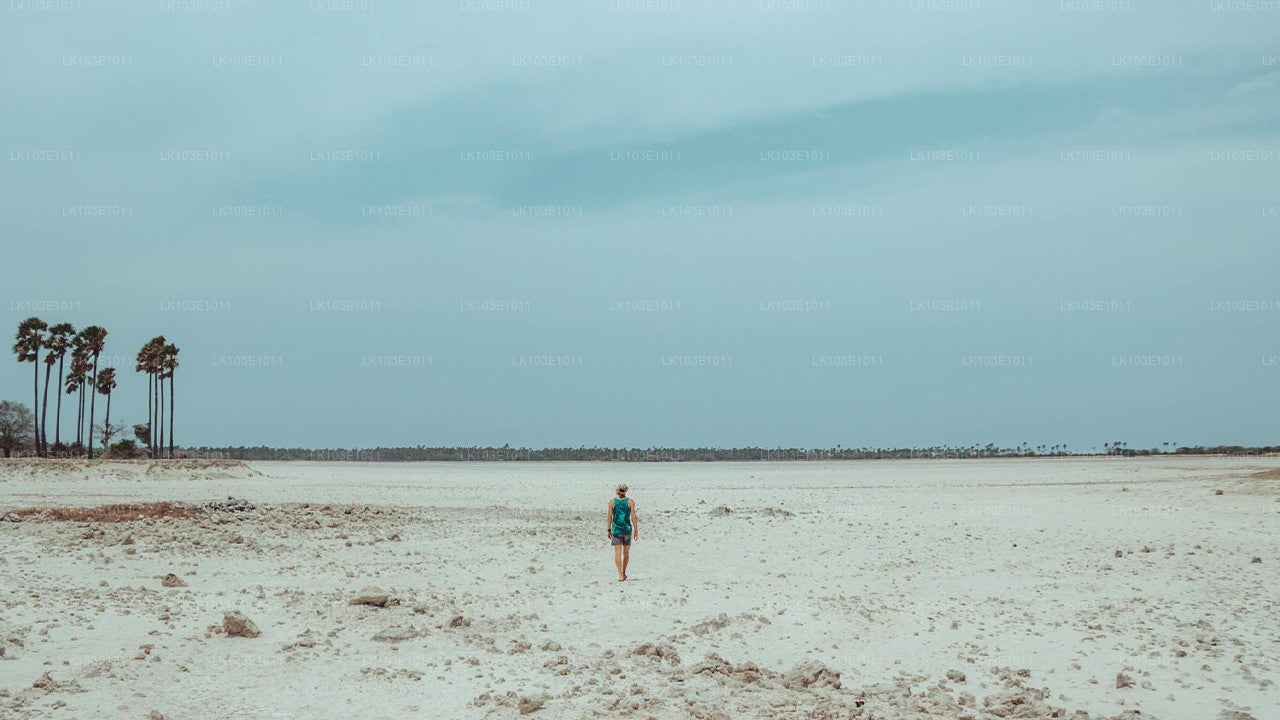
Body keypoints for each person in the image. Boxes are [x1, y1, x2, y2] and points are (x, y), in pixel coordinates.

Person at [607, 483, 637, 581]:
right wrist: (636, 530)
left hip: (616, 530)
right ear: (626, 491)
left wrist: (608, 529)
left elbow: (609, 517)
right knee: (626, 553)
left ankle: (620, 574)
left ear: (617, 491)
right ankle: (623, 572)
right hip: (627, 530)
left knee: (617, 553)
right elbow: (633, 517)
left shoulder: (612, 502)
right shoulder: (630, 502)